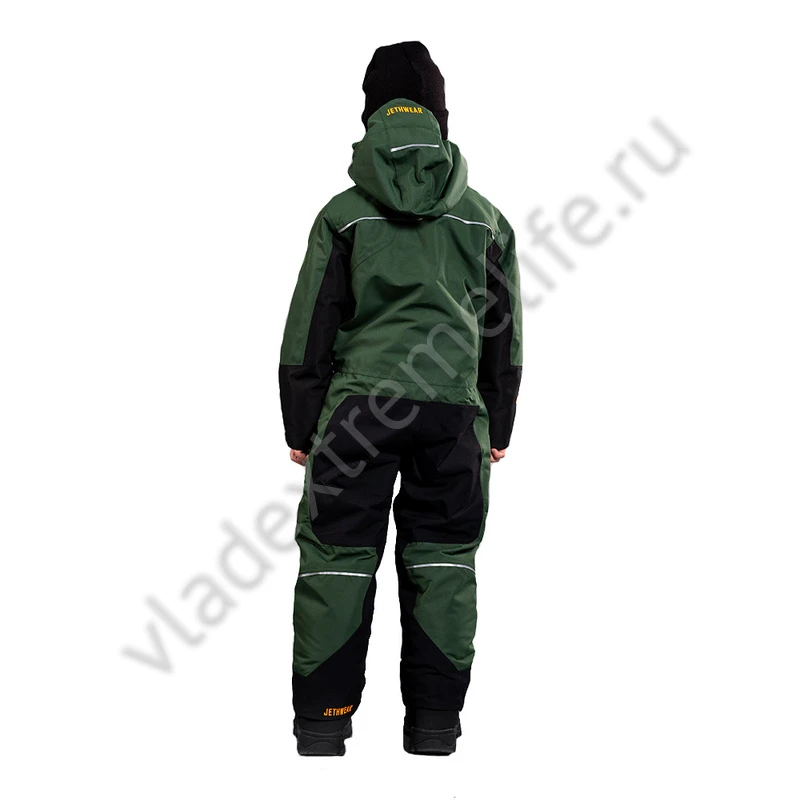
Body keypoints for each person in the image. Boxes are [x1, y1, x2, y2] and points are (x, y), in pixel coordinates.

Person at [278, 40, 523, 756]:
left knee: (336, 561)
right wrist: (498, 422)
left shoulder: (343, 215)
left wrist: (302, 424)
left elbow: (309, 328)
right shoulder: (485, 220)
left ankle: (323, 726)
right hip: (455, 417)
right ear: (441, 119)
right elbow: (503, 334)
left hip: (358, 413)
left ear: (370, 115)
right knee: (445, 564)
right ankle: (434, 728)